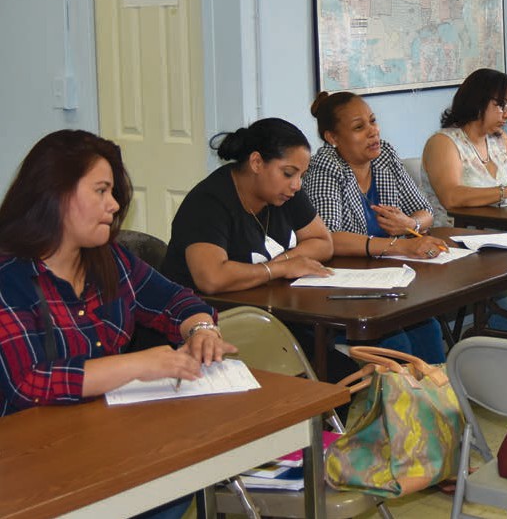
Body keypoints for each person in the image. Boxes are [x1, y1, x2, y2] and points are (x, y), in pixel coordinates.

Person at [0, 130, 236, 519]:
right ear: (55, 192)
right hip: (31, 463)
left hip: (105, 440)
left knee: (174, 489)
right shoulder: (10, 275)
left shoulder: (110, 259)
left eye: (113, 193)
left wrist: (200, 330)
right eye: (101, 191)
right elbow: (30, 383)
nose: (113, 205)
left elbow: (176, 300)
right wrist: (139, 365)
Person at [304, 90, 448, 362]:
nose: (373, 132)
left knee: (427, 328)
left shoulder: (384, 156)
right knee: (397, 342)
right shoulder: (325, 167)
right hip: (341, 291)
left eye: (373, 121)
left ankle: (435, 403)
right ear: (332, 138)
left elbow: (426, 212)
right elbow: (330, 238)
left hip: (389, 282)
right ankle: (394, 404)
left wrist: (410, 223)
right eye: (360, 127)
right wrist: (402, 244)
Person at [422, 68, 507, 334]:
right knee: (505, 276)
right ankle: (502, 352)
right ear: (477, 102)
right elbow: (451, 197)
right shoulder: (444, 142)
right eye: (500, 106)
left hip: (500, 233)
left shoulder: (499, 139)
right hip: (455, 237)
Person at [163, 118, 334, 294]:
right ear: (256, 162)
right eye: (288, 173)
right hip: (202, 313)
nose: (296, 185)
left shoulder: (286, 193)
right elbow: (212, 279)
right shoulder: (207, 202)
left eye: (302, 175)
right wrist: (280, 269)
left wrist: (284, 261)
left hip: (263, 304)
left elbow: (323, 243)